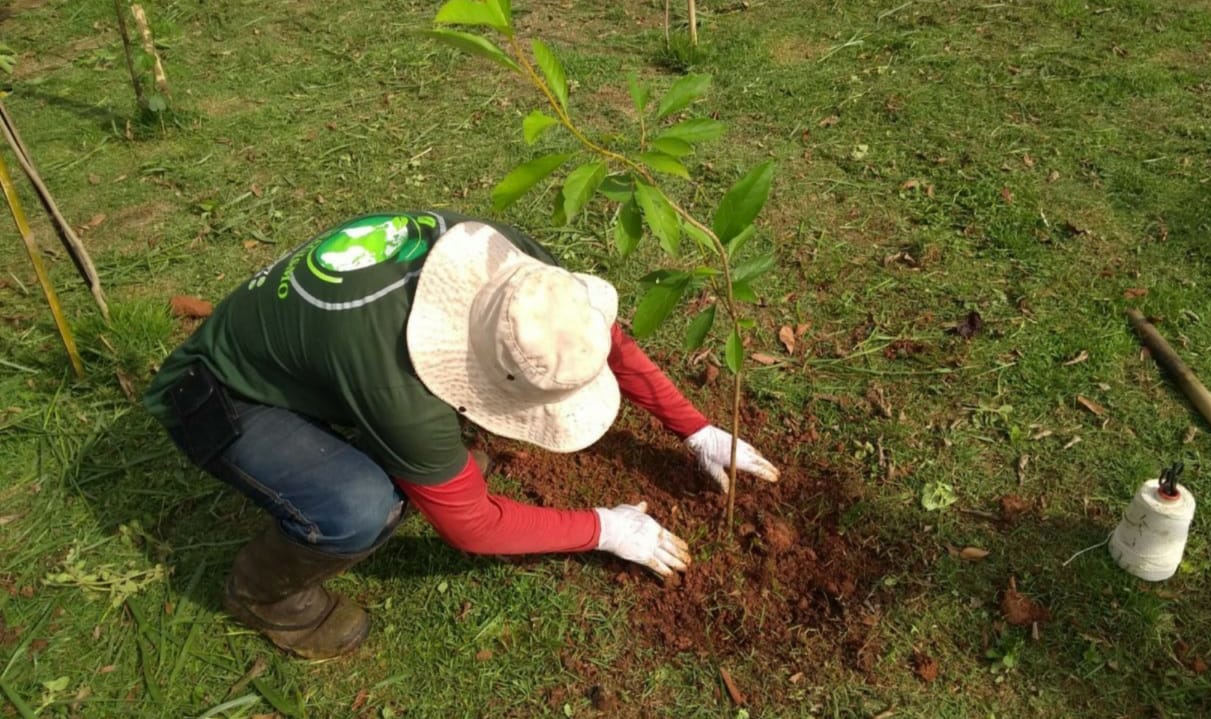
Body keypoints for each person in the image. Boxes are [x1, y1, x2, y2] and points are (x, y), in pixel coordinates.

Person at [143, 211, 780, 659]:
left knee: (435, 458)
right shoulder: (401, 389)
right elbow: (471, 526)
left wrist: (696, 428)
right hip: (220, 394)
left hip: (297, 346)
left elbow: (598, 338)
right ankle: (262, 596)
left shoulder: (507, 265)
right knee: (361, 506)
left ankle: (356, 445)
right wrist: (605, 529)